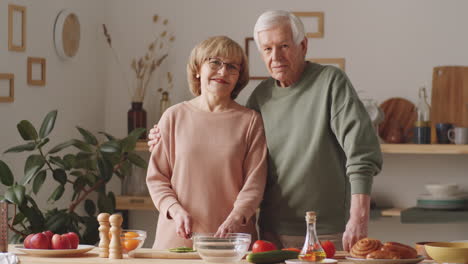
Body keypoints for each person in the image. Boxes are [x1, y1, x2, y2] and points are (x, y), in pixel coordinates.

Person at [148, 11, 382, 251]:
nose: (276, 56)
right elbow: (228, 149)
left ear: (303, 45)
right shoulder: (260, 97)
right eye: (268, 49)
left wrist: (358, 219)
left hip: (324, 230)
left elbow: (362, 154)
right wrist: (161, 135)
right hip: (271, 231)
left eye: (283, 46)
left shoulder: (330, 82)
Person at [146, 36, 267, 249]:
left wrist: (236, 218)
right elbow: (157, 178)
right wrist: (175, 209)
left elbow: (255, 183)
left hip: (232, 241)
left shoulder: (251, 121)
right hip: (177, 240)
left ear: (239, 77)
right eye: (215, 62)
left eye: (232, 67)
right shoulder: (173, 116)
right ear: (197, 69)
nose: (223, 72)